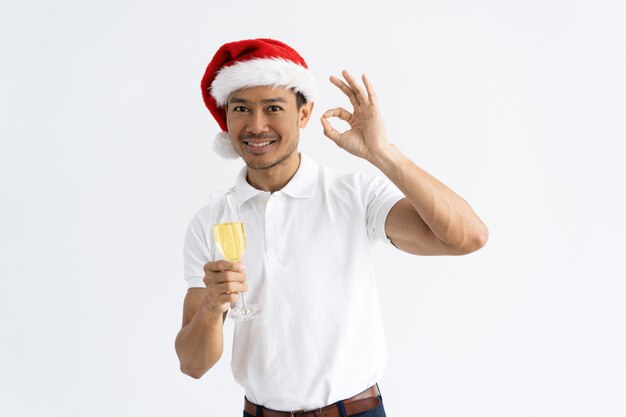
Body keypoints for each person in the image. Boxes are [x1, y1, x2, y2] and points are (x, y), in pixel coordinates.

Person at [175, 38, 488, 417]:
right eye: (241, 108)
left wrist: (383, 153)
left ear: (304, 114)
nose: (256, 126)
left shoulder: (355, 195)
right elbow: (192, 365)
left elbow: (468, 237)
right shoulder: (210, 221)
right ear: (227, 116)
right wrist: (212, 304)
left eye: (273, 108)